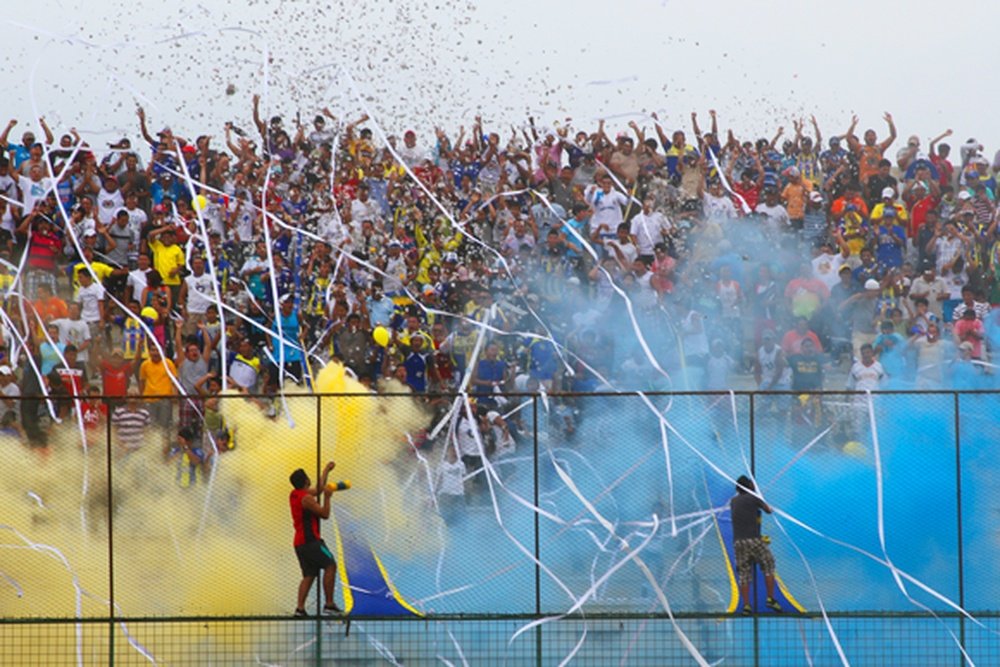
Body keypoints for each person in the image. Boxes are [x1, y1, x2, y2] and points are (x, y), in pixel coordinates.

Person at [289, 461, 342, 617]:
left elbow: (317, 489)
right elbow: (325, 514)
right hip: (311, 541)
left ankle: (300, 609)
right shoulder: (306, 499)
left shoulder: (295, 494)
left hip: (300, 543)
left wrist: (326, 470)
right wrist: (327, 497)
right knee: (330, 565)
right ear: (306, 480)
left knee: (309, 575)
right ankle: (329, 604)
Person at [730, 475, 782, 615]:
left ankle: (746, 605)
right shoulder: (754, 498)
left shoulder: (733, 501)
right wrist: (757, 494)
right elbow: (768, 510)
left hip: (738, 542)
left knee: (744, 573)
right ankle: (770, 598)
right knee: (769, 564)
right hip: (753, 539)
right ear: (749, 486)